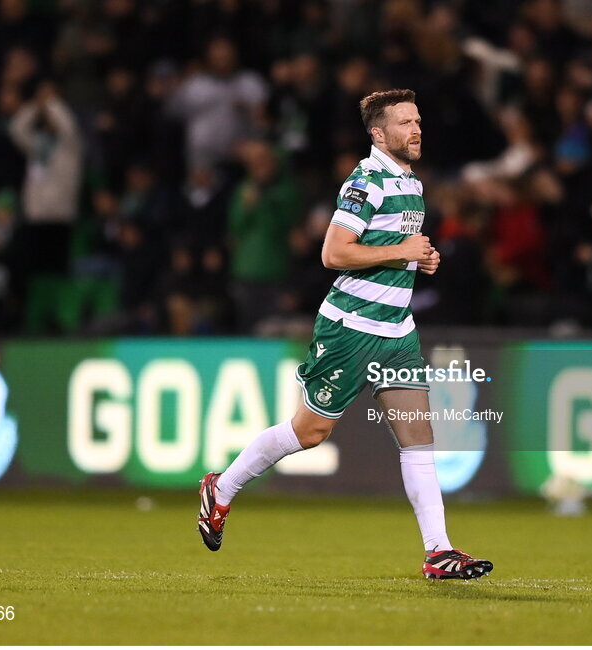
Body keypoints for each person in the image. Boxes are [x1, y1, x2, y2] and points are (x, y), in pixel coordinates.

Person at [196, 89, 493, 580]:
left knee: (418, 438)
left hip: (396, 330)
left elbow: (396, 250)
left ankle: (438, 551)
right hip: (351, 329)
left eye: (417, 120)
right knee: (309, 432)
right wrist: (402, 250)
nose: (416, 130)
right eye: (404, 123)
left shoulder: (412, 184)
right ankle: (221, 489)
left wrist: (421, 257)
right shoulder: (366, 182)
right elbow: (334, 253)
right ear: (378, 134)